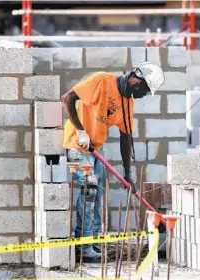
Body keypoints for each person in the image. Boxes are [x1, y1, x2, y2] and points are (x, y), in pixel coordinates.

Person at [61, 62, 165, 262]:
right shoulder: (101, 80)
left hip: (94, 149)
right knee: (89, 190)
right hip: (77, 144)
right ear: (136, 79)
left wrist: (128, 174)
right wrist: (81, 131)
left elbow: (126, 138)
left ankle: (93, 241)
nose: (141, 96)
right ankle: (83, 246)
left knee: (98, 192)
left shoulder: (127, 102)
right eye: (143, 90)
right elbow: (67, 99)